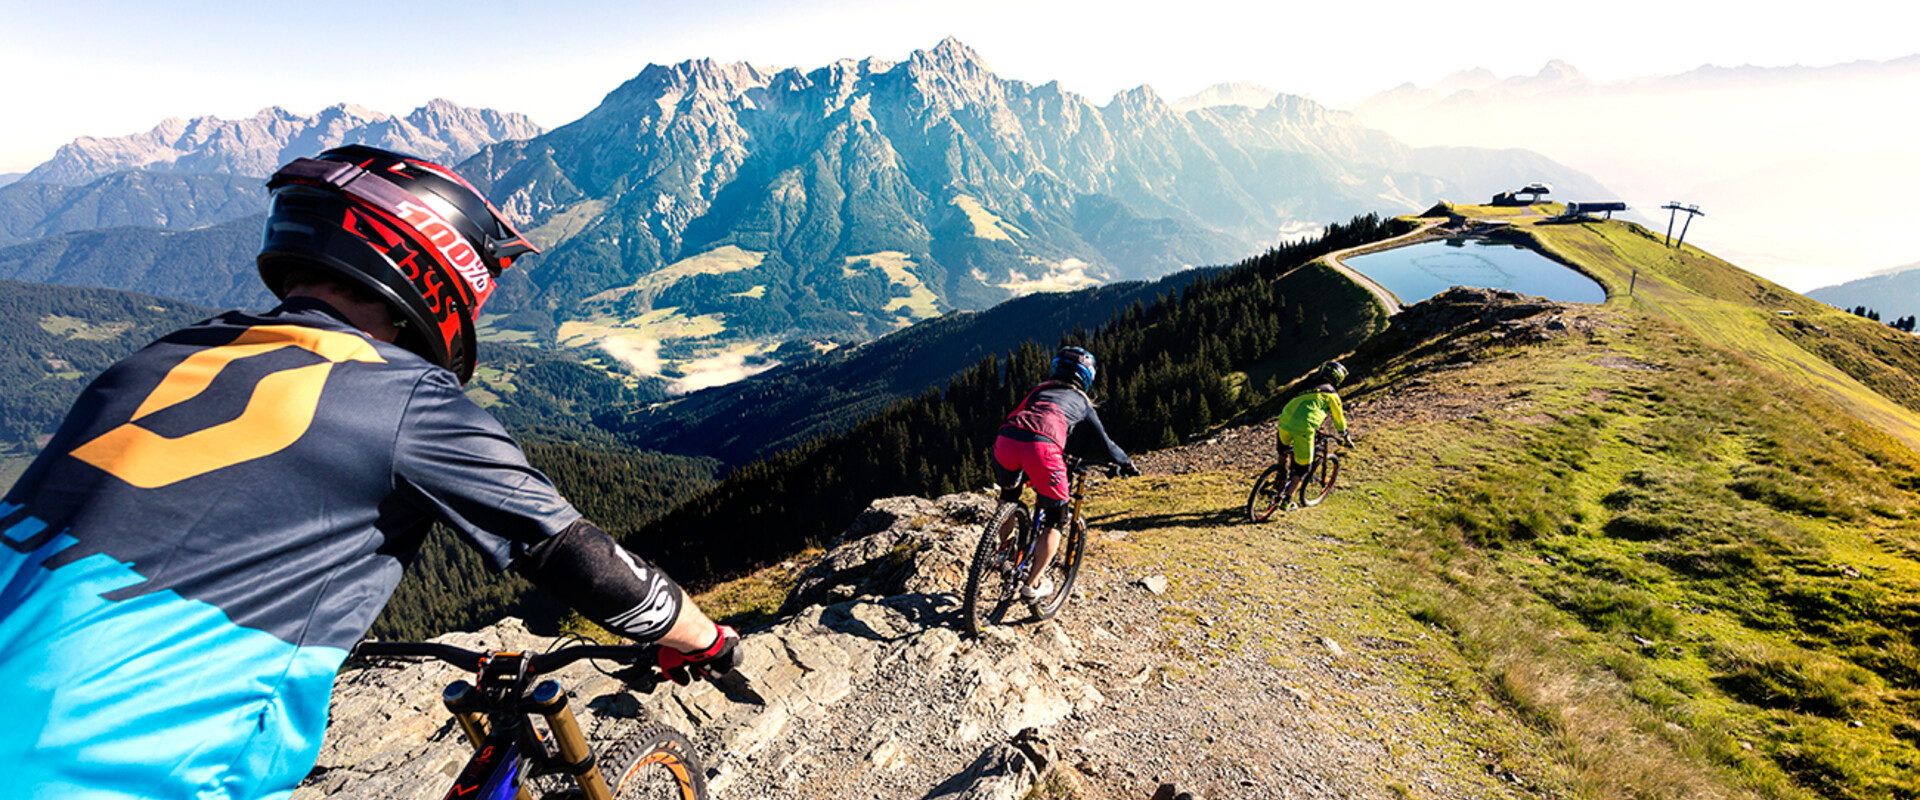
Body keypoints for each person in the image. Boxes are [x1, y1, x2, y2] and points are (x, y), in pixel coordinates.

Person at [0, 146, 740, 799]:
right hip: (115, 767)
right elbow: (570, 552)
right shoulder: (404, 398)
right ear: (435, 267)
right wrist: (703, 637)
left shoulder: (160, 358)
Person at [991, 346, 1139, 602]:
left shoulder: (1039, 389)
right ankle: (1032, 585)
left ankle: (1004, 551)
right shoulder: (1082, 401)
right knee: (1055, 520)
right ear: (1087, 377)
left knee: (1009, 497)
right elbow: (1105, 443)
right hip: (1043, 449)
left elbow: (1022, 416)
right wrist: (1126, 463)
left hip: (1006, 440)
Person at [1275, 360, 1352, 506]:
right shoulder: (1332, 395)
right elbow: (1339, 419)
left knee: (1283, 452)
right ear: (1338, 378)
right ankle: (1287, 500)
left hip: (1284, 422)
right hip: (1304, 428)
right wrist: (1345, 435)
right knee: (1303, 468)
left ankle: (1279, 479)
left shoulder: (1307, 386)